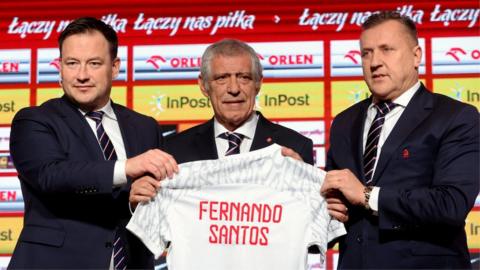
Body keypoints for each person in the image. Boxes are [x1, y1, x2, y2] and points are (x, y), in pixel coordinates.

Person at [8, 17, 177, 269]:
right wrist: (126, 167)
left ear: (115, 67)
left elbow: (162, 207)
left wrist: (136, 203)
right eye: (72, 63)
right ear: (60, 67)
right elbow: (50, 175)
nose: (82, 75)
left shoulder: (145, 127)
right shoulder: (34, 120)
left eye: (94, 63)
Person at [321, 11, 479, 269]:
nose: (375, 62)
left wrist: (366, 195)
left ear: (416, 56)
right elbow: (335, 208)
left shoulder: (456, 117)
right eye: (367, 53)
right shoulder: (344, 122)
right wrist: (306, 189)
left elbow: (450, 204)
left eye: (387, 50)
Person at [130, 38, 315, 203]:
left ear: (258, 83)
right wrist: (139, 204)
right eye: (222, 78)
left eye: (244, 77)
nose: (233, 88)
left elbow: (311, 224)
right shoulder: (174, 150)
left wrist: (306, 188)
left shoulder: (295, 146)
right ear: (204, 85)